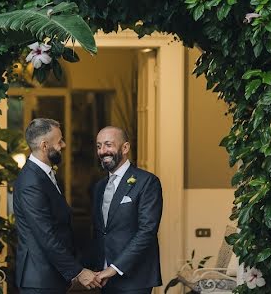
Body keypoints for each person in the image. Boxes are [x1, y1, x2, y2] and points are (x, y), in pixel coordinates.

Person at [14, 118, 103, 292]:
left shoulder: (44, 174)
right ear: (44, 145)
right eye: (59, 141)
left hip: (50, 276)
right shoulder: (31, 181)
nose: (63, 145)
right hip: (40, 279)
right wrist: (78, 271)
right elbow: (45, 235)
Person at [89, 126, 163, 293]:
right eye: (99, 146)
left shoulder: (147, 182)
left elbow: (147, 231)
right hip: (103, 278)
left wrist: (114, 268)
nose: (102, 151)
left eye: (108, 145)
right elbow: (100, 231)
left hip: (135, 278)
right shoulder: (99, 187)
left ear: (125, 148)